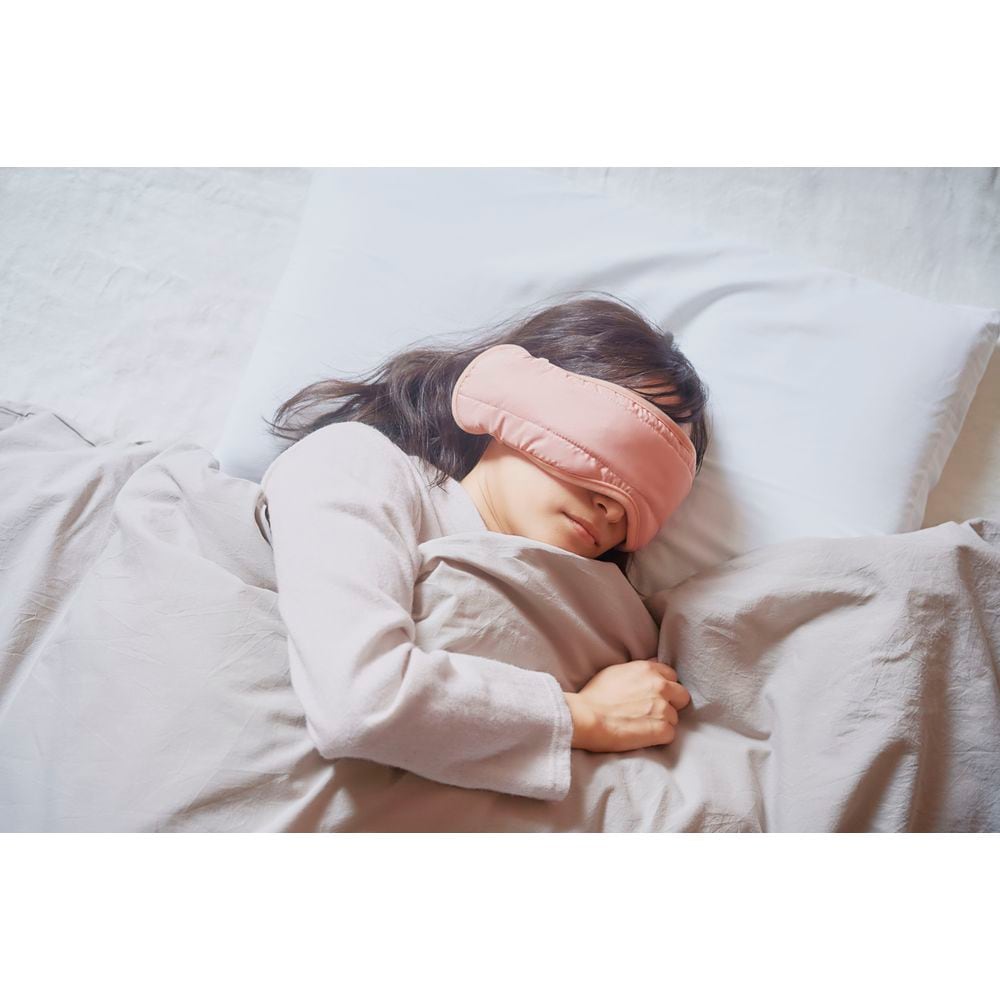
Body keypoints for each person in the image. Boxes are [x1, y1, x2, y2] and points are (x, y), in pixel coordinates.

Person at [261, 293, 710, 801]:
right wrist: (582, 716)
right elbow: (359, 701)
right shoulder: (356, 462)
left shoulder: (613, 625)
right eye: (614, 446)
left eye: (650, 492)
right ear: (513, 399)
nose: (615, 506)